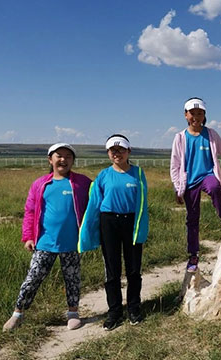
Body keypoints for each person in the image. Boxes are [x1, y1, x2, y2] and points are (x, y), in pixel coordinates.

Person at [3, 143, 91, 332]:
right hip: (45, 242)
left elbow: (95, 206)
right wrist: (27, 236)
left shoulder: (82, 183)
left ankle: (73, 314)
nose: (63, 160)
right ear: (50, 160)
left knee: (73, 279)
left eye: (68, 156)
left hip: (72, 243)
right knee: (33, 278)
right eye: (59, 156)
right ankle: (18, 314)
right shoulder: (41, 184)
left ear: (73, 161)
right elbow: (30, 211)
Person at [78, 134, 149, 331]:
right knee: (112, 269)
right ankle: (115, 311)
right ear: (109, 153)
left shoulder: (138, 173)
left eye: (121, 150)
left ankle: (134, 308)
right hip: (108, 222)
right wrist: (88, 231)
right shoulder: (103, 175)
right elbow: (94, 204)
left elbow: (142, 203)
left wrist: (141, 228)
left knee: (134, 268)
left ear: (129, 152)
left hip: (131, 222)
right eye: (113, 150)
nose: (117, 153)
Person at [171, 97, 221, 273]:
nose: (196, 117)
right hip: (189, 181)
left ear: (204, 115)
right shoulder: (180, 138)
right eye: (192, 113)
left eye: (200, 113)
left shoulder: (211, 134)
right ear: (186, 115)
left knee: (215, 188)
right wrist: (178, 188)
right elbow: (175, 165)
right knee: (192, 219)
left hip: (207, 175)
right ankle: (193, 255)